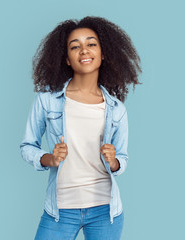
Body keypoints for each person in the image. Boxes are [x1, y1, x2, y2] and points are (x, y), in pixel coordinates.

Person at [20, 16, 141, 240]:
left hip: (105, 211)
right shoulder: (47, 100)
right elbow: (28, 146)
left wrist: (114, 161)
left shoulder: (116, 109)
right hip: (60, 211)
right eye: (75, 47)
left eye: (91, 44)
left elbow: (122, 159)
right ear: (67, 59)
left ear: (103, 54)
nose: (84, 50)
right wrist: (50, 158)